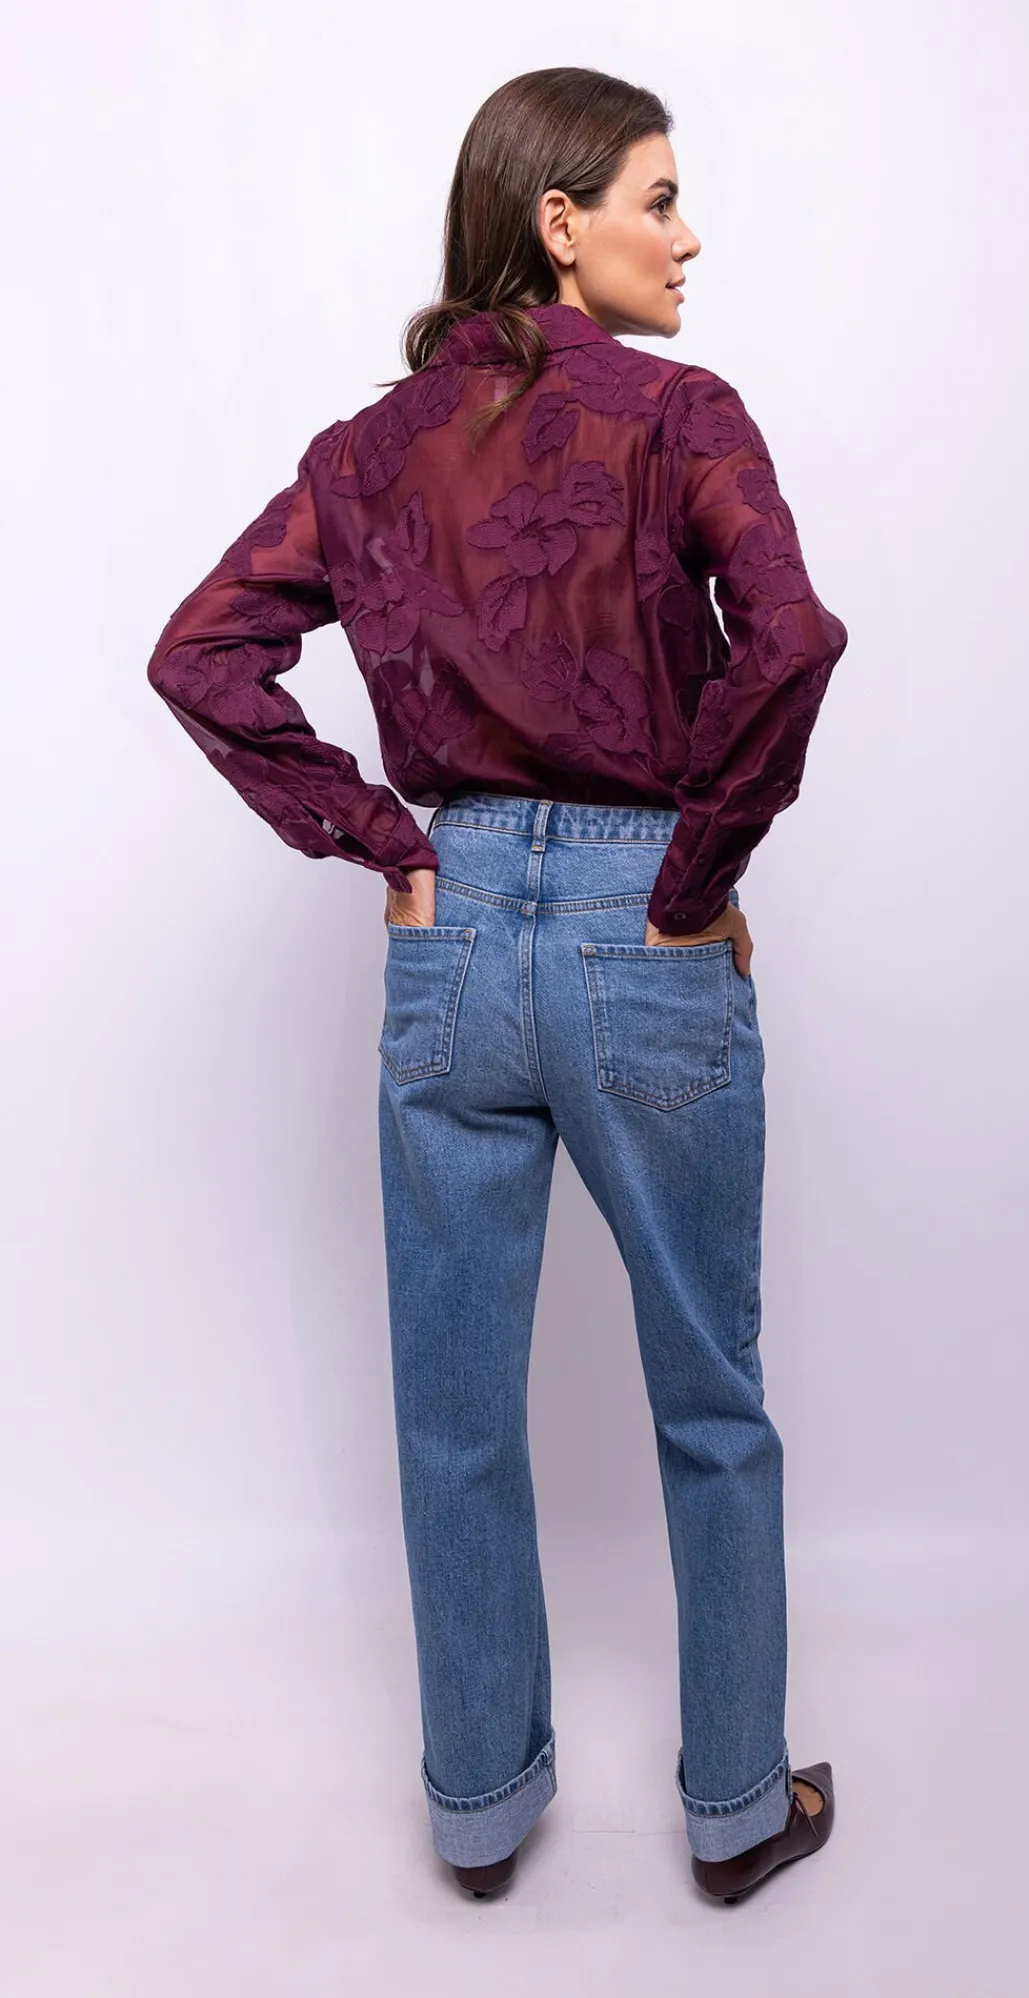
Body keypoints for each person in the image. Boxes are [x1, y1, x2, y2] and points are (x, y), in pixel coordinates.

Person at [146, 65, 847, 1904]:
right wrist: (694, 878)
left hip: (447, 938)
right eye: (658, 199)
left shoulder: (370, 450)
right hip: (637, 931)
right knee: (711, 1397)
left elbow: (200, 653)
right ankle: (735, 1810)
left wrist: (393, 843)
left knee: (451, 1407)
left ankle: (477, 1809)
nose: (687, 238)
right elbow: (789, 638)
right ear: (559, 221)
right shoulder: (681, 416)